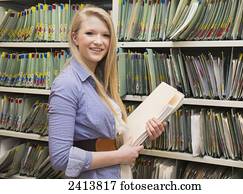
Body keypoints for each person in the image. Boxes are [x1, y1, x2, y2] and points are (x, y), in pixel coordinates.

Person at [48, 6, 165, 179]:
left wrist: (146, 131)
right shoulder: (67, 84)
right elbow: (61, 158)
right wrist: (119, 156)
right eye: (90, 33)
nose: (99, 41)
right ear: (75, 38)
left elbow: (109, 136)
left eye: (105, 35)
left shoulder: (102, 81)